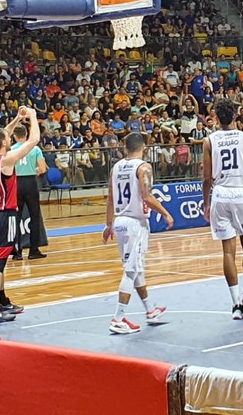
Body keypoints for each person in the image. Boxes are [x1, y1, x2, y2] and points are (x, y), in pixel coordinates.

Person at [202, 98, 243, 320]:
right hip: (241, 193)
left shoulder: (209, 140)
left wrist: (207, 202)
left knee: (227, 251)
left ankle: (236, 306)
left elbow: (206, 178)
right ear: (234, 115)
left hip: (220, 193)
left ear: (216, 118)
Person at [102, 132, 173, 335]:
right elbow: (147, 195)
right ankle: (117, 318)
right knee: (131, 270)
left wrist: (108, 225)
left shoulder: (116, 167)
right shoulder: (143, 167)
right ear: (144, 148)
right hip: (135, 224)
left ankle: (150, 310)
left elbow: (110, 198)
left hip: (120, 221)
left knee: (136, 268)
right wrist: (166, 213)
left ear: (125, 148)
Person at [0, 107, 40, 323]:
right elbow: (33, 140)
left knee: (0, 259)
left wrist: (17, 119)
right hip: (4, 214)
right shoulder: (6, 160)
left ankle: (2, 300)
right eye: (7, 139)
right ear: (5, 144)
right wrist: (32, 116)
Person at [12, 123, 48, 261]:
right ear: (26, 134)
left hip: (16, 183)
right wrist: (34, 171)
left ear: (14, 136)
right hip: (31, 183)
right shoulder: (34, 148)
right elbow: (43, 169)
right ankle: (34, 250)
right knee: (34, 216)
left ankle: (17, 251)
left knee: (16, 217)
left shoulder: (11, 149)